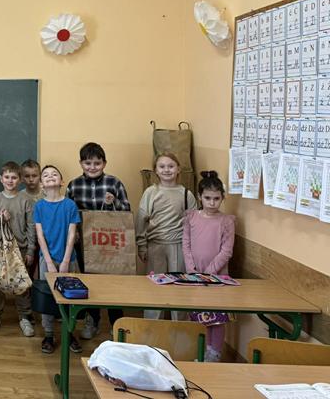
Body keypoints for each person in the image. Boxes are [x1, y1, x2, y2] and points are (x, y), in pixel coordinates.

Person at [66, 142, 131, 340]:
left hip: (110, 241)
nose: (92, 167)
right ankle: (92, 320)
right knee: (89, 280)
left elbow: (127, 211)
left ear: (104, 163)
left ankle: (116, 323)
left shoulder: (114, 183)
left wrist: (114, 202)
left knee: (113, 281)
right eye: (88, 163)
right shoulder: (74, 185)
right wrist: (74, 233)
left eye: (97, 163)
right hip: (84, 242)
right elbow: (68, 214)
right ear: (81, 163)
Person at [135, 152, 198, 319]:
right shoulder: (151, 192)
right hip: (156, 246)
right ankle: (152, 327)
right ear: (156, 170)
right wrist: (141, 245)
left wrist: (192, 251)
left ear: (178, 169)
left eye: (171, 166)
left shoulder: (186, 194)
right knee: (155, 289)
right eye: (162, 166)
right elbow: (141, 220)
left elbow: (194, 224)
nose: (166, 170)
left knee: (179, 289)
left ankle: (180, 327)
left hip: (179, 246)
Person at [183, 171, 235, 362]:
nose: (212, 203)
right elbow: (186, 244)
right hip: (195, 276)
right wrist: (192, 270)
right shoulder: (191, 217)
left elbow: (226, 251)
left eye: (216, 198)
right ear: (200, 197)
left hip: (217, 277)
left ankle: (214, 354)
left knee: (217, 318)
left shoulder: (227, 221)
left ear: (222, 198)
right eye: (207, 198)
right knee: (199, 316)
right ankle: (201, 351)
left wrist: (209, 273)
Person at [0, 161, 36, 337]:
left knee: (21, 284)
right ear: (1, 179)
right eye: (7, 177)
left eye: (14, 177)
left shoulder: (26, 200)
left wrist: (30, 250)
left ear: (20, 180)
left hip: (19, 249)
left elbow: (31, 226)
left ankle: (25, 317)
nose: (10, 180)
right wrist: (0, 219)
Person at [34, 164, 81, 355]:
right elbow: (40, 236)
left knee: (70, 297)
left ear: (62, 182)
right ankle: (49, 334)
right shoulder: (39, 206)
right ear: (41, 184)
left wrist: (65, 261)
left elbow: (72, 234)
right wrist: (49, 262)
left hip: (69, 259)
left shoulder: (70, 205)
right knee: (48, 298)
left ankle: (69, 333)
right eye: (45, 175)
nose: (50, 176)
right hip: (47, 260)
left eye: (54, 174)